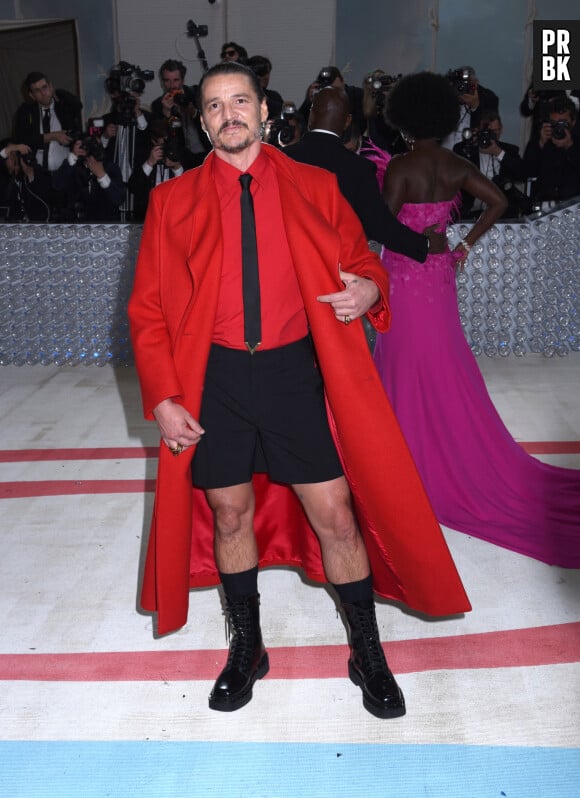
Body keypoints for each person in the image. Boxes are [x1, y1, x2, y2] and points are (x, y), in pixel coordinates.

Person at [128, 62, 470, 719]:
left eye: (240, 101)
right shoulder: (170, 203)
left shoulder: (315, 184)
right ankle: (247, 648)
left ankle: (367, 654)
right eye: (214, 106)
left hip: (295, 374)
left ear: (263, 113)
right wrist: (165, 396)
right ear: (202, 125)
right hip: (215, 379)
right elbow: (147, 311)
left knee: (337, 515)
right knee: (229, 514)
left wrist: (370, 288)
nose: (229, 114)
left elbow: (365, 260)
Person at [371, 71, 580, 568]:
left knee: (401, 363)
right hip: (440, 277)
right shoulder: (456, 164)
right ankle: (440, 453)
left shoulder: (401, 165)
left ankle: (405, 462)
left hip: (403, 275)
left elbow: (381, 225)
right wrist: (460, 245)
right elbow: (500, 201)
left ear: (403, 118)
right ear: (443, 119)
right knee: (442, 361)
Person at [284, 85, 446, 262]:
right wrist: (425, 244)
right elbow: (380, 225)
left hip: (286, 265)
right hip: (335, 270)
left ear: (311, 116)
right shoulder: (358, 168)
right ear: (347, 122)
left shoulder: (280, 159)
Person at [453, 109, 530, 219]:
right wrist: (470, 144)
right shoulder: (463, 149)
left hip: (502, 213)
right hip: (469, 211)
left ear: (501, 129)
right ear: (477, 130)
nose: (491, 135)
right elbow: (456, 176)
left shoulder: (509, 150)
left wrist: (498, 153)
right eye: (487, 132)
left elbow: (522, 175)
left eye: (495, 131)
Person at [127, 118, 203, 220]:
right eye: (163, 143)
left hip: (177, 216)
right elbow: (133, 187)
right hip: (148, 216)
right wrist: (149, 163)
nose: (167, 146)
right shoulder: (144, 155)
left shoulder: (184, 155)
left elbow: (191, 190)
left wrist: (177, 168)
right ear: (154, 141)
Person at [13, 71, 82, 174]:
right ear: (32, 95)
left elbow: (78, 106)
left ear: (50, 86)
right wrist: (53, 136)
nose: (43, 93)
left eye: (44, 87)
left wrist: (60, 93)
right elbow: (21, 139)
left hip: (66, 171)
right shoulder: (26, 111)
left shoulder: (64, 108)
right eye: (37, 91)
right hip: (36, 172)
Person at [51, 134, 125, 222]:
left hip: (104, 224)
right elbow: (57, 186)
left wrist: (102, 176)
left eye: (96, 145)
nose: (93, 149)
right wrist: (73, 158)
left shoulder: (111, 168)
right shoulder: (72, 166)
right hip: (75, 224)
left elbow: (119, 199)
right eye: (88, 145)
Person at [523, 96, 580, 204]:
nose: (559, 127)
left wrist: (569, 146)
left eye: (563, 123)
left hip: (574, 204)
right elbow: (526, 171)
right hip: (545, 203)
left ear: (573, 122)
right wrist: (540, 143)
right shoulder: (542, 139)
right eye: (554, 123)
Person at [150, 59, 208, 158]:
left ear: (183, 80)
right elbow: (160, 137)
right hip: (179, 158)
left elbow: (210, 123)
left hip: (206, 153)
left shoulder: (196, 94)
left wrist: (193, 112)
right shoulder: (158, 104)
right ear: (162, 82)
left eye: (176, 80)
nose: (172, 85)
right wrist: (166, 112)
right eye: (167, 80)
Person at [441, 65, 499, 150]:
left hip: (471, 154)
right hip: (443, 152)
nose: (462, 88)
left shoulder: (488, 98)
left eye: (467, 84)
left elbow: (488, 130)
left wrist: (475, 106)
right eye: (459, 84)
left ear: (475, 83)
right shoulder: (444, 94)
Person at [0, 139, 53, 221]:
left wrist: (30, 174)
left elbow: (42, 201)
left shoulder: (25, 179)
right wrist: (14, 148)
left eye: (16, 154)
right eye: (10, 154)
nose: (14, 157)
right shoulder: (3, 178)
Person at [247, 55, 284, 119]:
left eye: (268, 73)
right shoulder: (243, 96)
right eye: (261, 72)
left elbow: (281, 113)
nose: (266, 77)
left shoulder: (274, 96)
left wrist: (265, 99)